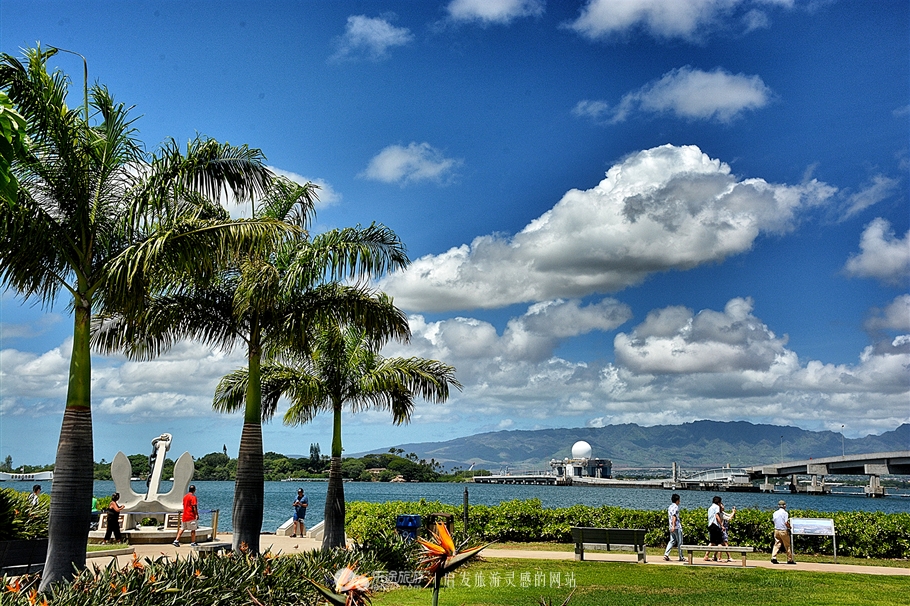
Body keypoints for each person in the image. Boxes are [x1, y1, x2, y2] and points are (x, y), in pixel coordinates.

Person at [771, 499, 795, 564]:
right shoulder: (785, 513)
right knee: (787, 545)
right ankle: (789, 559)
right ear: (784, 506)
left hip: (776, 530)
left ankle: (773, 557)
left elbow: (774, 521)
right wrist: (789, 527)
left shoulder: (775, 513)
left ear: (778, 506)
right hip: (783, 530)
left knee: (777, 544)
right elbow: (786, 522)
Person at [663, 493, 684, 561]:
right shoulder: (676, 507)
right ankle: (681, 557)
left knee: (672, 541)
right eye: (679, 500)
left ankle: (666, 554)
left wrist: (671, 526)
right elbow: (674, 516)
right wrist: (674, 526)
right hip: (676, 527)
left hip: (671, 526)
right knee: (680, 542)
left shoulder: (670, 507)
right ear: (677, 500)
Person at [703, 495, 724, 561]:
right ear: (718, 503)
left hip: (710, 525)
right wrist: (721, 525)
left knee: (712, 542)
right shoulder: (717, 507)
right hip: (715, 525)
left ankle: (706, 555)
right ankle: (719, 558)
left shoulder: (710, 508)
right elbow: (717, 516)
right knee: (720, 542)